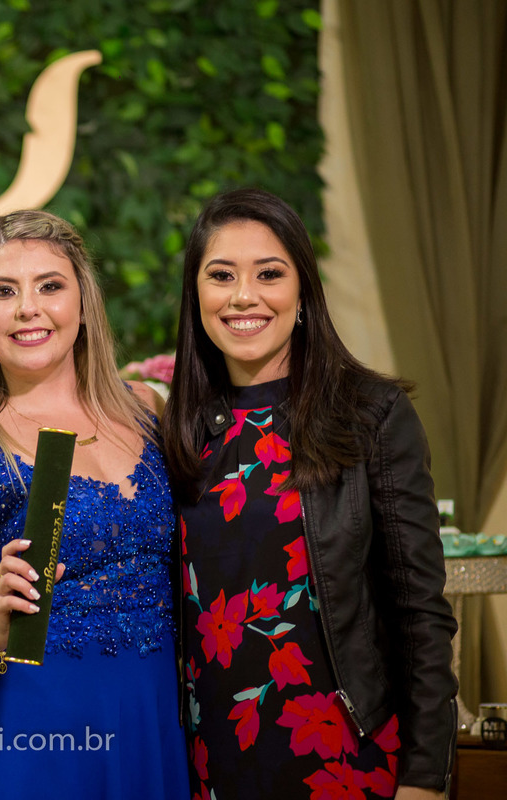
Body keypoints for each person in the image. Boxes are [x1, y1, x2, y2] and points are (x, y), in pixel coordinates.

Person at [162, 188, 457, 800]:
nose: (244, 296)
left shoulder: (371, 415)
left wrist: (427, 775)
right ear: (197, 295)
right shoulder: (179, 431)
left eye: (269, 273)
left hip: (344, 752)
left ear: (303, 292)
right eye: (222, 275)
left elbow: (420, 613)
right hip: (210, 758)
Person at [0, 210, 190, 799]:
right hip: (17, 742)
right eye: (3, 292)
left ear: (83, 304)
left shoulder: (149, 410)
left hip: (146, 723)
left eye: (50, 286)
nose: (28, 308)